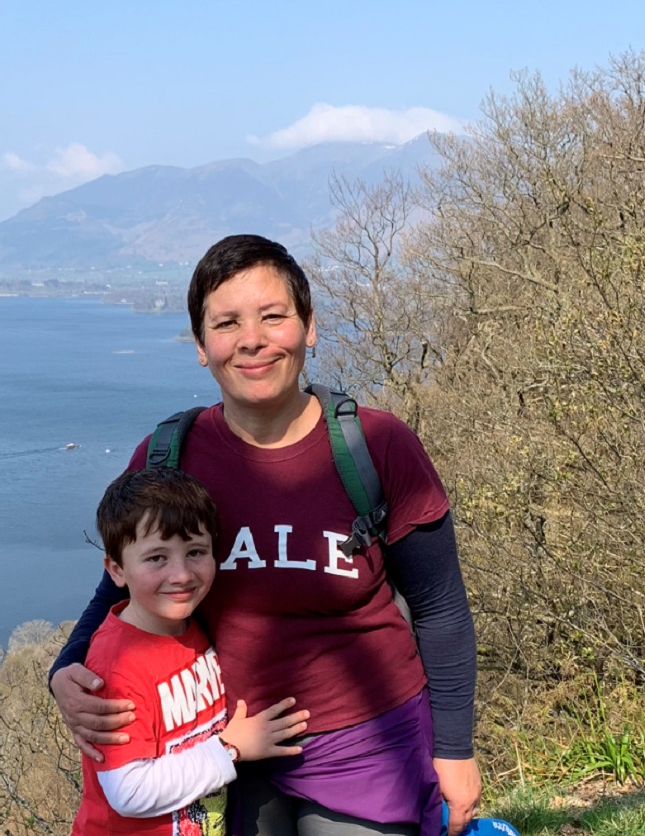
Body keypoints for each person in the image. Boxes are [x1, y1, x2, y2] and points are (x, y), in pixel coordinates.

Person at [52, 234, 482, 836]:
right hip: (229, 750)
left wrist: (456, 751)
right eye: (226, 323)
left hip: (368, 744)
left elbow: (440, 609)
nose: (251, 340)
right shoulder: (167, 458)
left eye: (273, 316)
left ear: (308, 327)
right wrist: (66, 667)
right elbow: (119, 590)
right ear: (202, 346)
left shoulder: (379, 447)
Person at [71, 466, 310, 836]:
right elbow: (127, 791)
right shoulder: (118, 664)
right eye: (156, 559)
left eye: (196, 552)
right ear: (116, 570)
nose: (181, 574)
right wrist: (231, 748)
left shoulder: (194, 625)